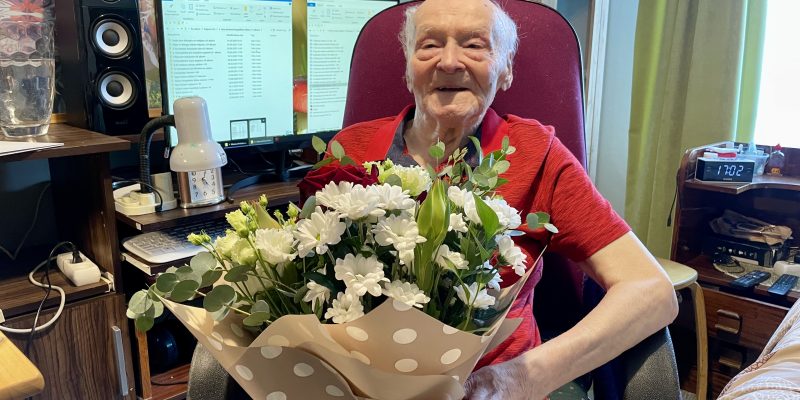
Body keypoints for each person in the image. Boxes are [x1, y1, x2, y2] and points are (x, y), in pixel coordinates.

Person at [328, 0, 679, 398]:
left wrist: (524, 377)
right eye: (429, 45)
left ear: (506, 68)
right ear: (409, 68)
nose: (449, 62)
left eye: (474, 45)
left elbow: (652, 291)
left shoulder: (535, 154)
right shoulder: (349, 153)